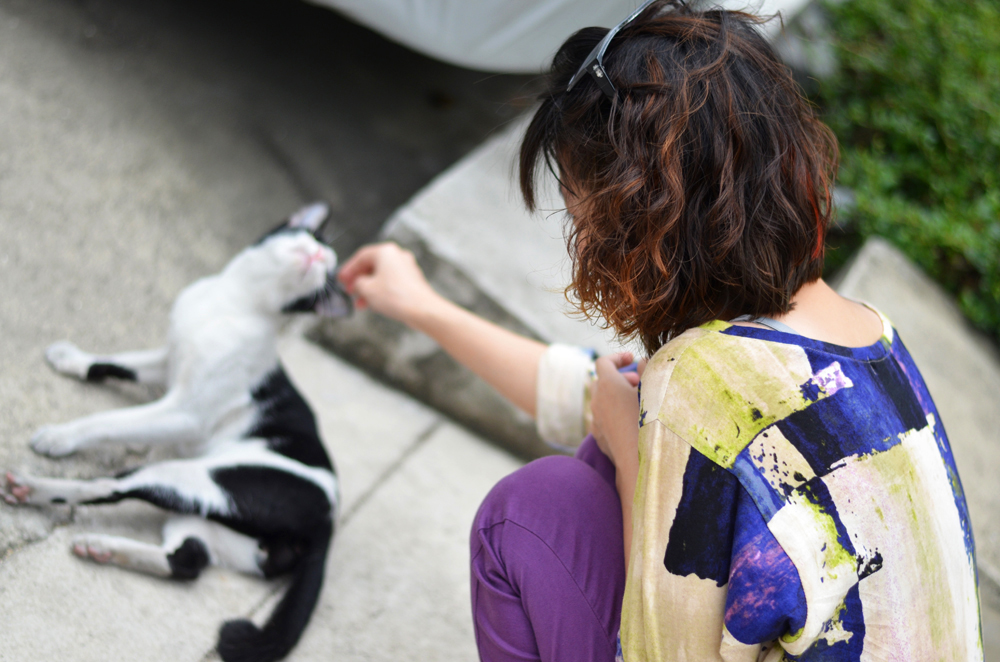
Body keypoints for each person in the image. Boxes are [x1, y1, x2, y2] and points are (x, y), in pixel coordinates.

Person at [337, 2, 984, 660]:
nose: (582, 247)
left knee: (529, 510)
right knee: (605, 455)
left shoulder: (699, 378)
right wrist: (422, 306)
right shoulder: (868, 337)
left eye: (582, 223)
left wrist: (627, 448)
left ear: (640, 224)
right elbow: (597, 398)